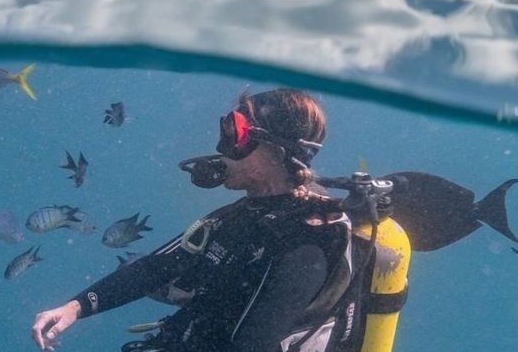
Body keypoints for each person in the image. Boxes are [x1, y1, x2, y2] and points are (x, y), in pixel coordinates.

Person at [32, 89, 354, 352]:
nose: (221, 148)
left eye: (236, 134)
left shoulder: (307, 240)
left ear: (276, 151)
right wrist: (75, 308)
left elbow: (252, 344)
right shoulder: (238, 218)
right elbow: (156, 268)